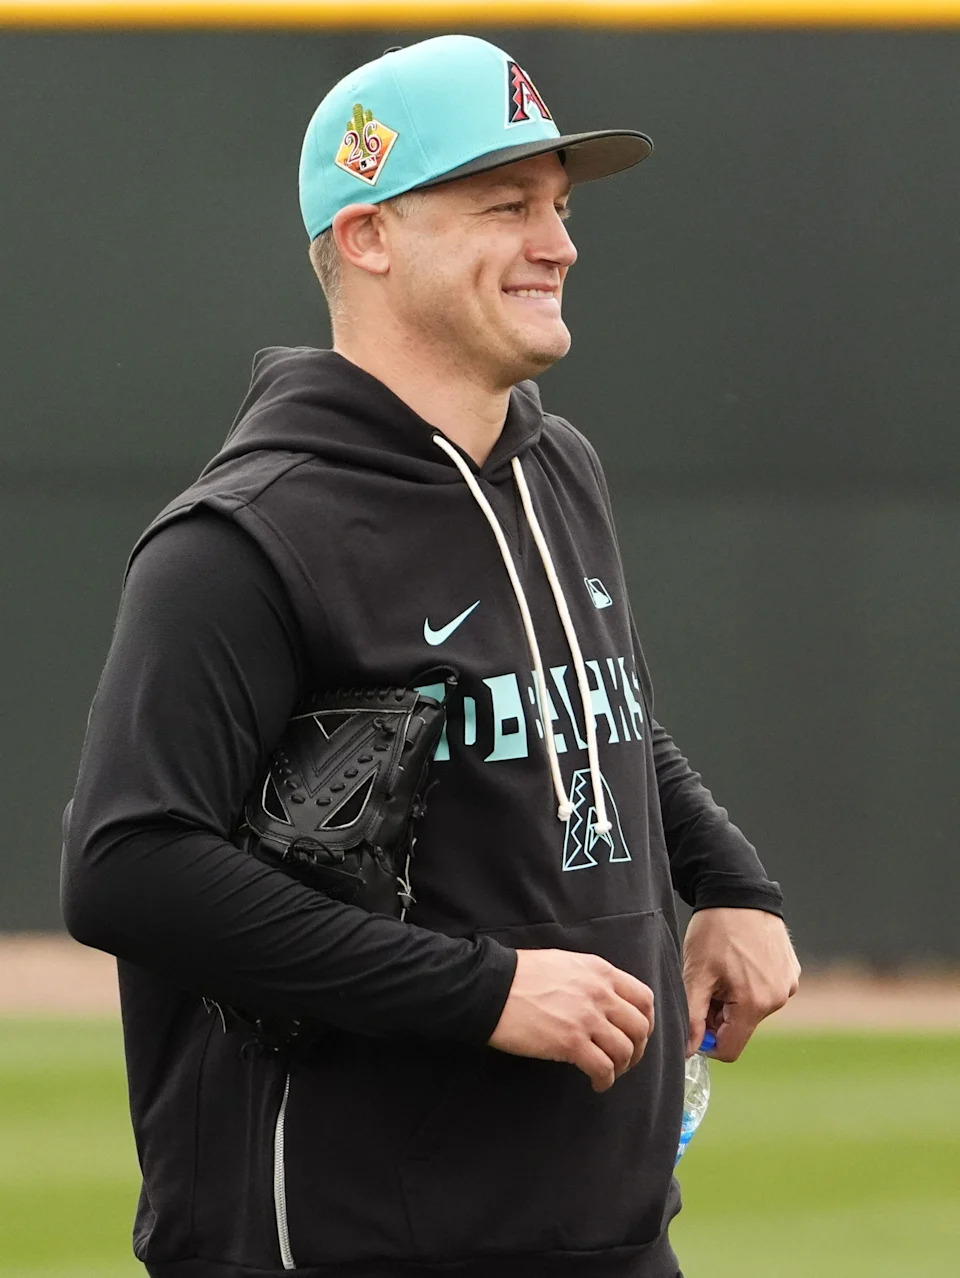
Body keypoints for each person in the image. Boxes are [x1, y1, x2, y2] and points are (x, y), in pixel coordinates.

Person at [62, 33, 800, 1278]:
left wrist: (728, 879)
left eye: (559, 208)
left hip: (605, 1227)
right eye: (504, 205)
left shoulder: (557, 469)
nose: (558, 242)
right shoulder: (246, 535)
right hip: (353, 1233)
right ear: (367, 237)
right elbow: (127, 866)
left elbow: (593, 709)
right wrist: (484, 990)